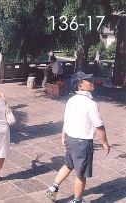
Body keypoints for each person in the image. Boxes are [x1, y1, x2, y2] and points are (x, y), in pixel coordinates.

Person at [46, 71, 110, 203]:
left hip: (71, 139)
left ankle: (53, 187)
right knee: (81, 175)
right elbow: (99, 126)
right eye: (88, 81)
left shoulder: (71, 100)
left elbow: (67, 120)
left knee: (68, 165)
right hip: (82, 143)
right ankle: (77, 200)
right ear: (80, 85)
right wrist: (104, 143)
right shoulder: (91, 104)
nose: (92, 82)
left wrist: (63, 136)